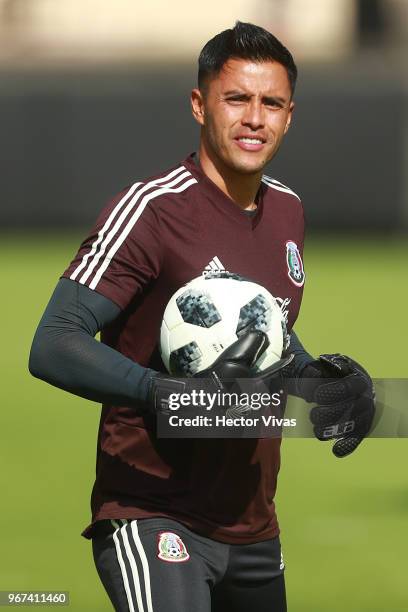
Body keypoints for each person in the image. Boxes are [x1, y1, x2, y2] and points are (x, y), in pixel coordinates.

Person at [29, 22, 375, 612]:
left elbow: (265, 338)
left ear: (290, 116)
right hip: (153, 515)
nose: (254, 118)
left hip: (254, 527)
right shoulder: (151, 211)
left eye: (272, 104)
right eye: (237, 98)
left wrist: (322, 384)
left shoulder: (288, 211)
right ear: (199, 104)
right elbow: (54, 343)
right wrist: (167, 393)